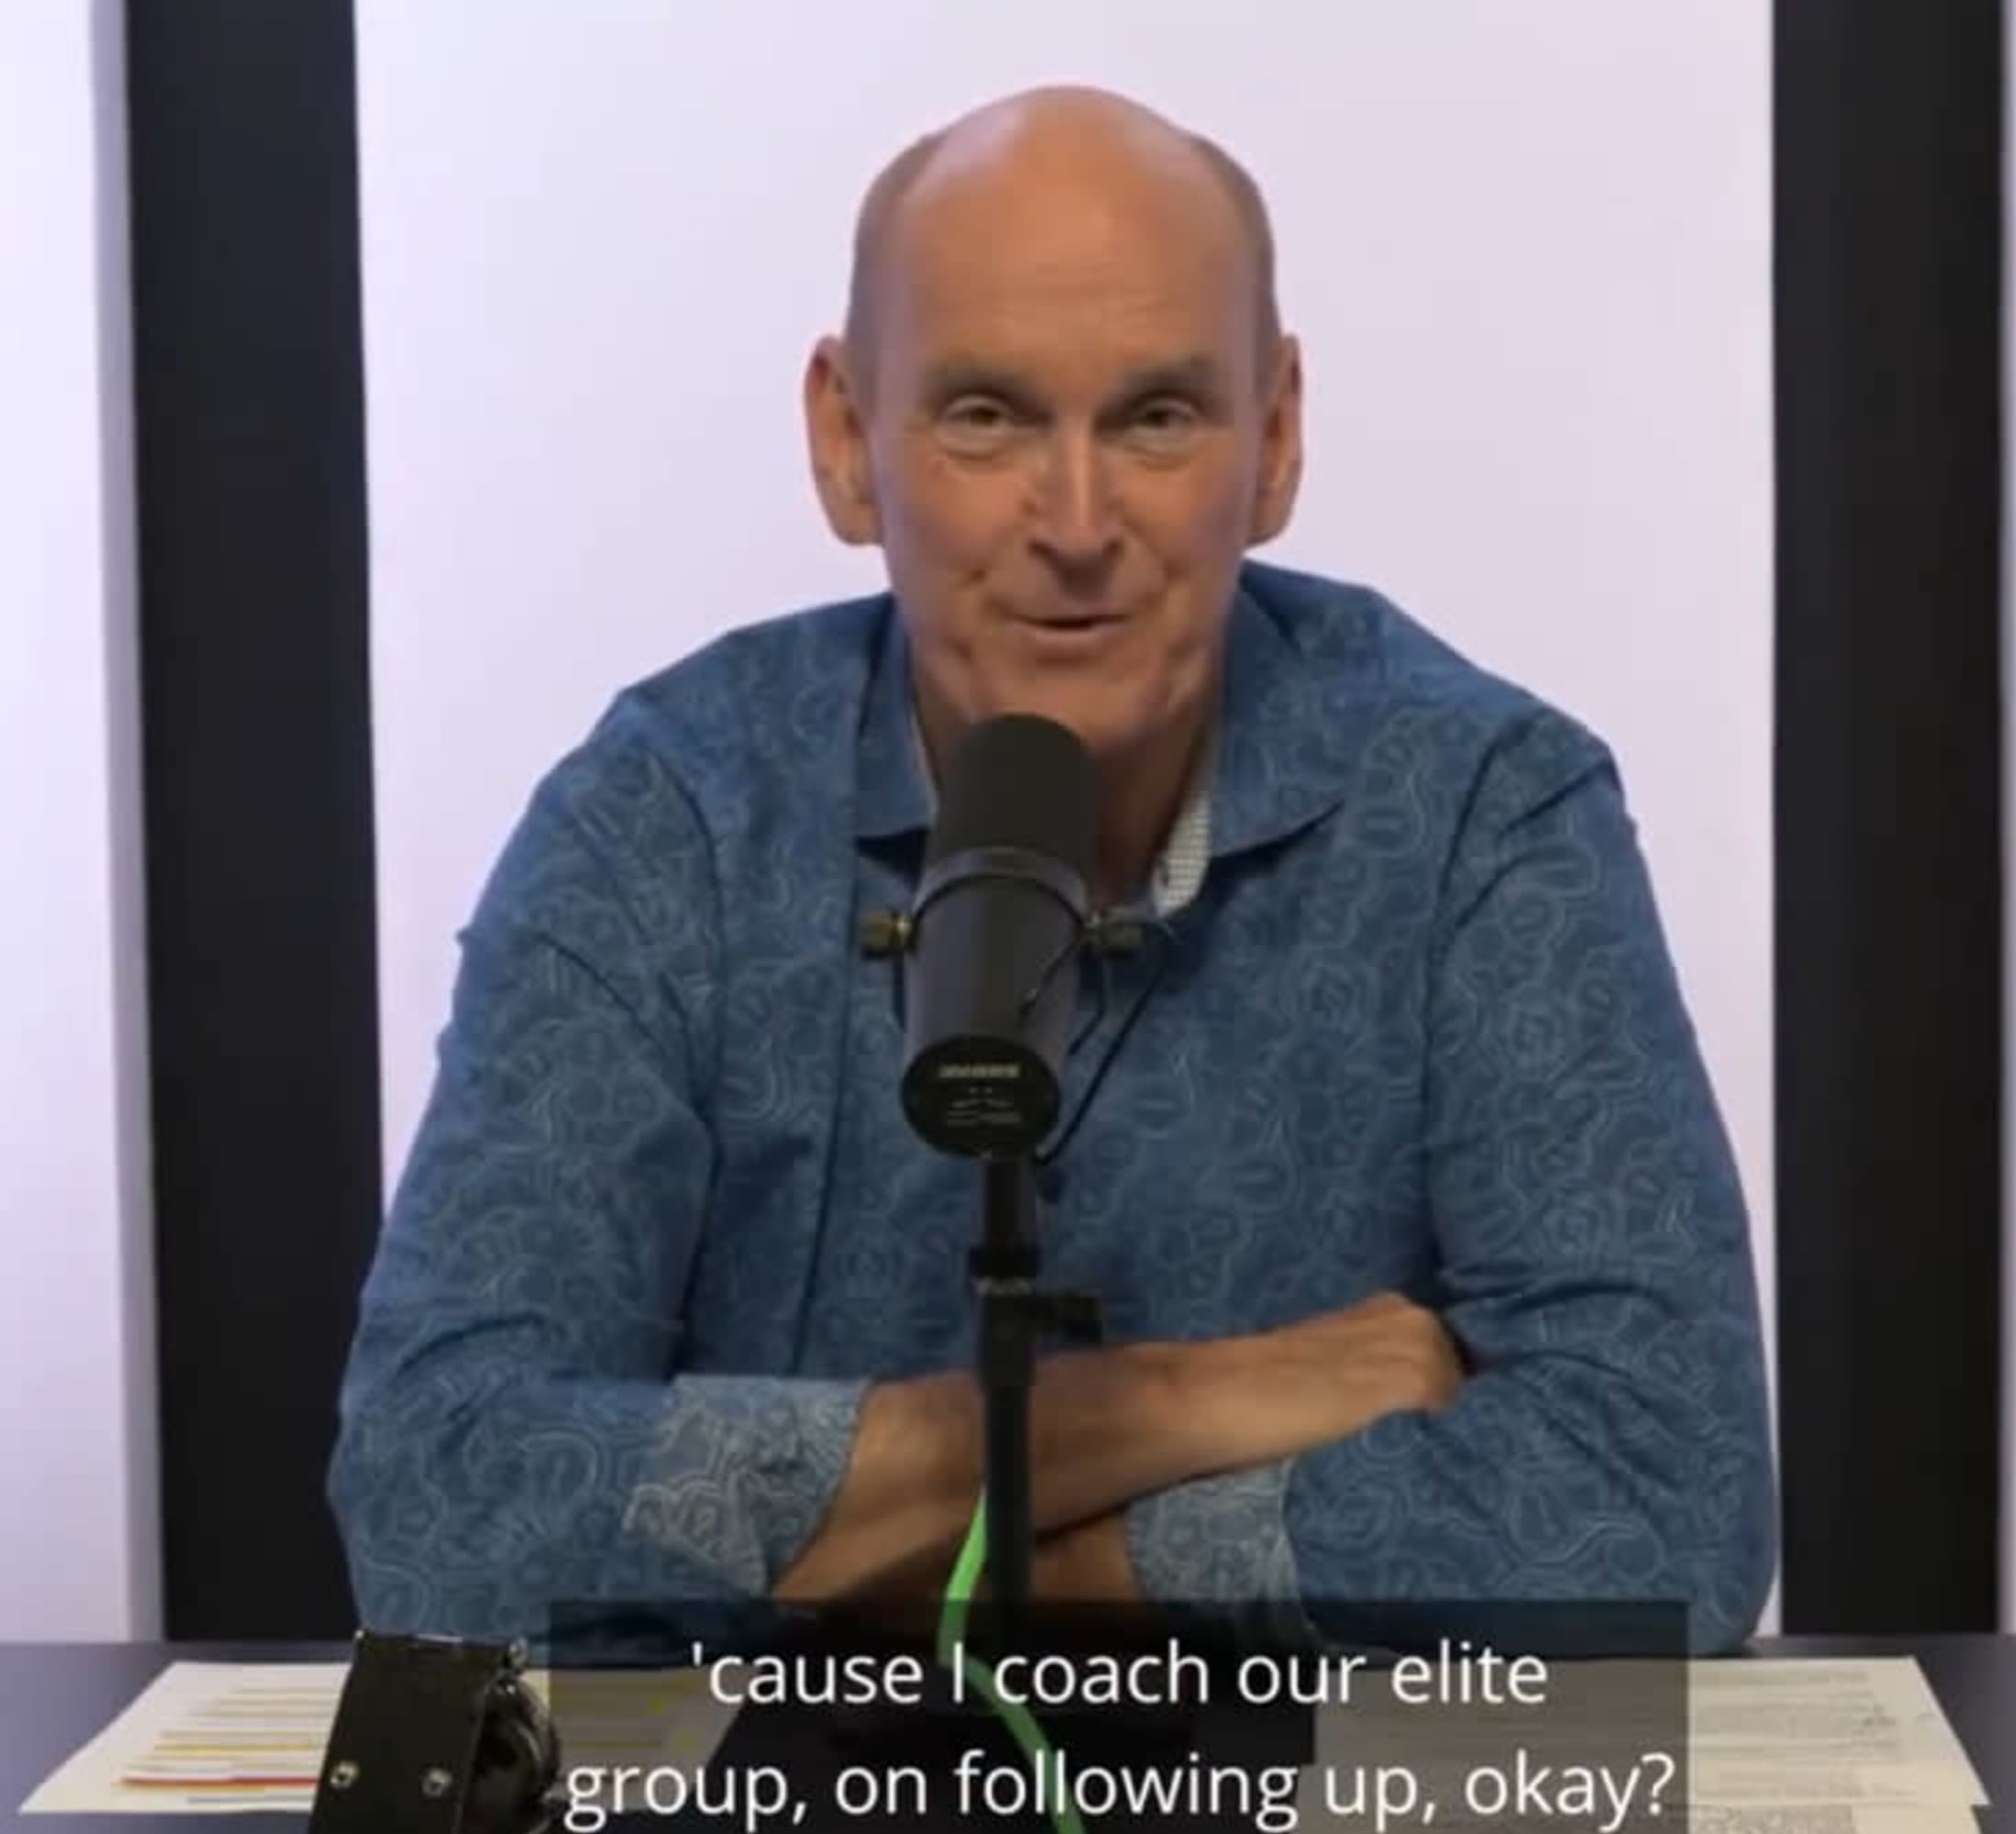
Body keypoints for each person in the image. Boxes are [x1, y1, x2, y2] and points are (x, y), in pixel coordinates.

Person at [328, 85, 1775, 1658]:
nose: (1076, 522)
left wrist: (921, 1576)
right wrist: (1182, 1405)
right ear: (846, 442)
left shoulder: (1482, 805)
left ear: (1275, 440)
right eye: (986, 416)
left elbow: (1661, 1509)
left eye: (1156, 416)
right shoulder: (665, 814)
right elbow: (438, 1512)